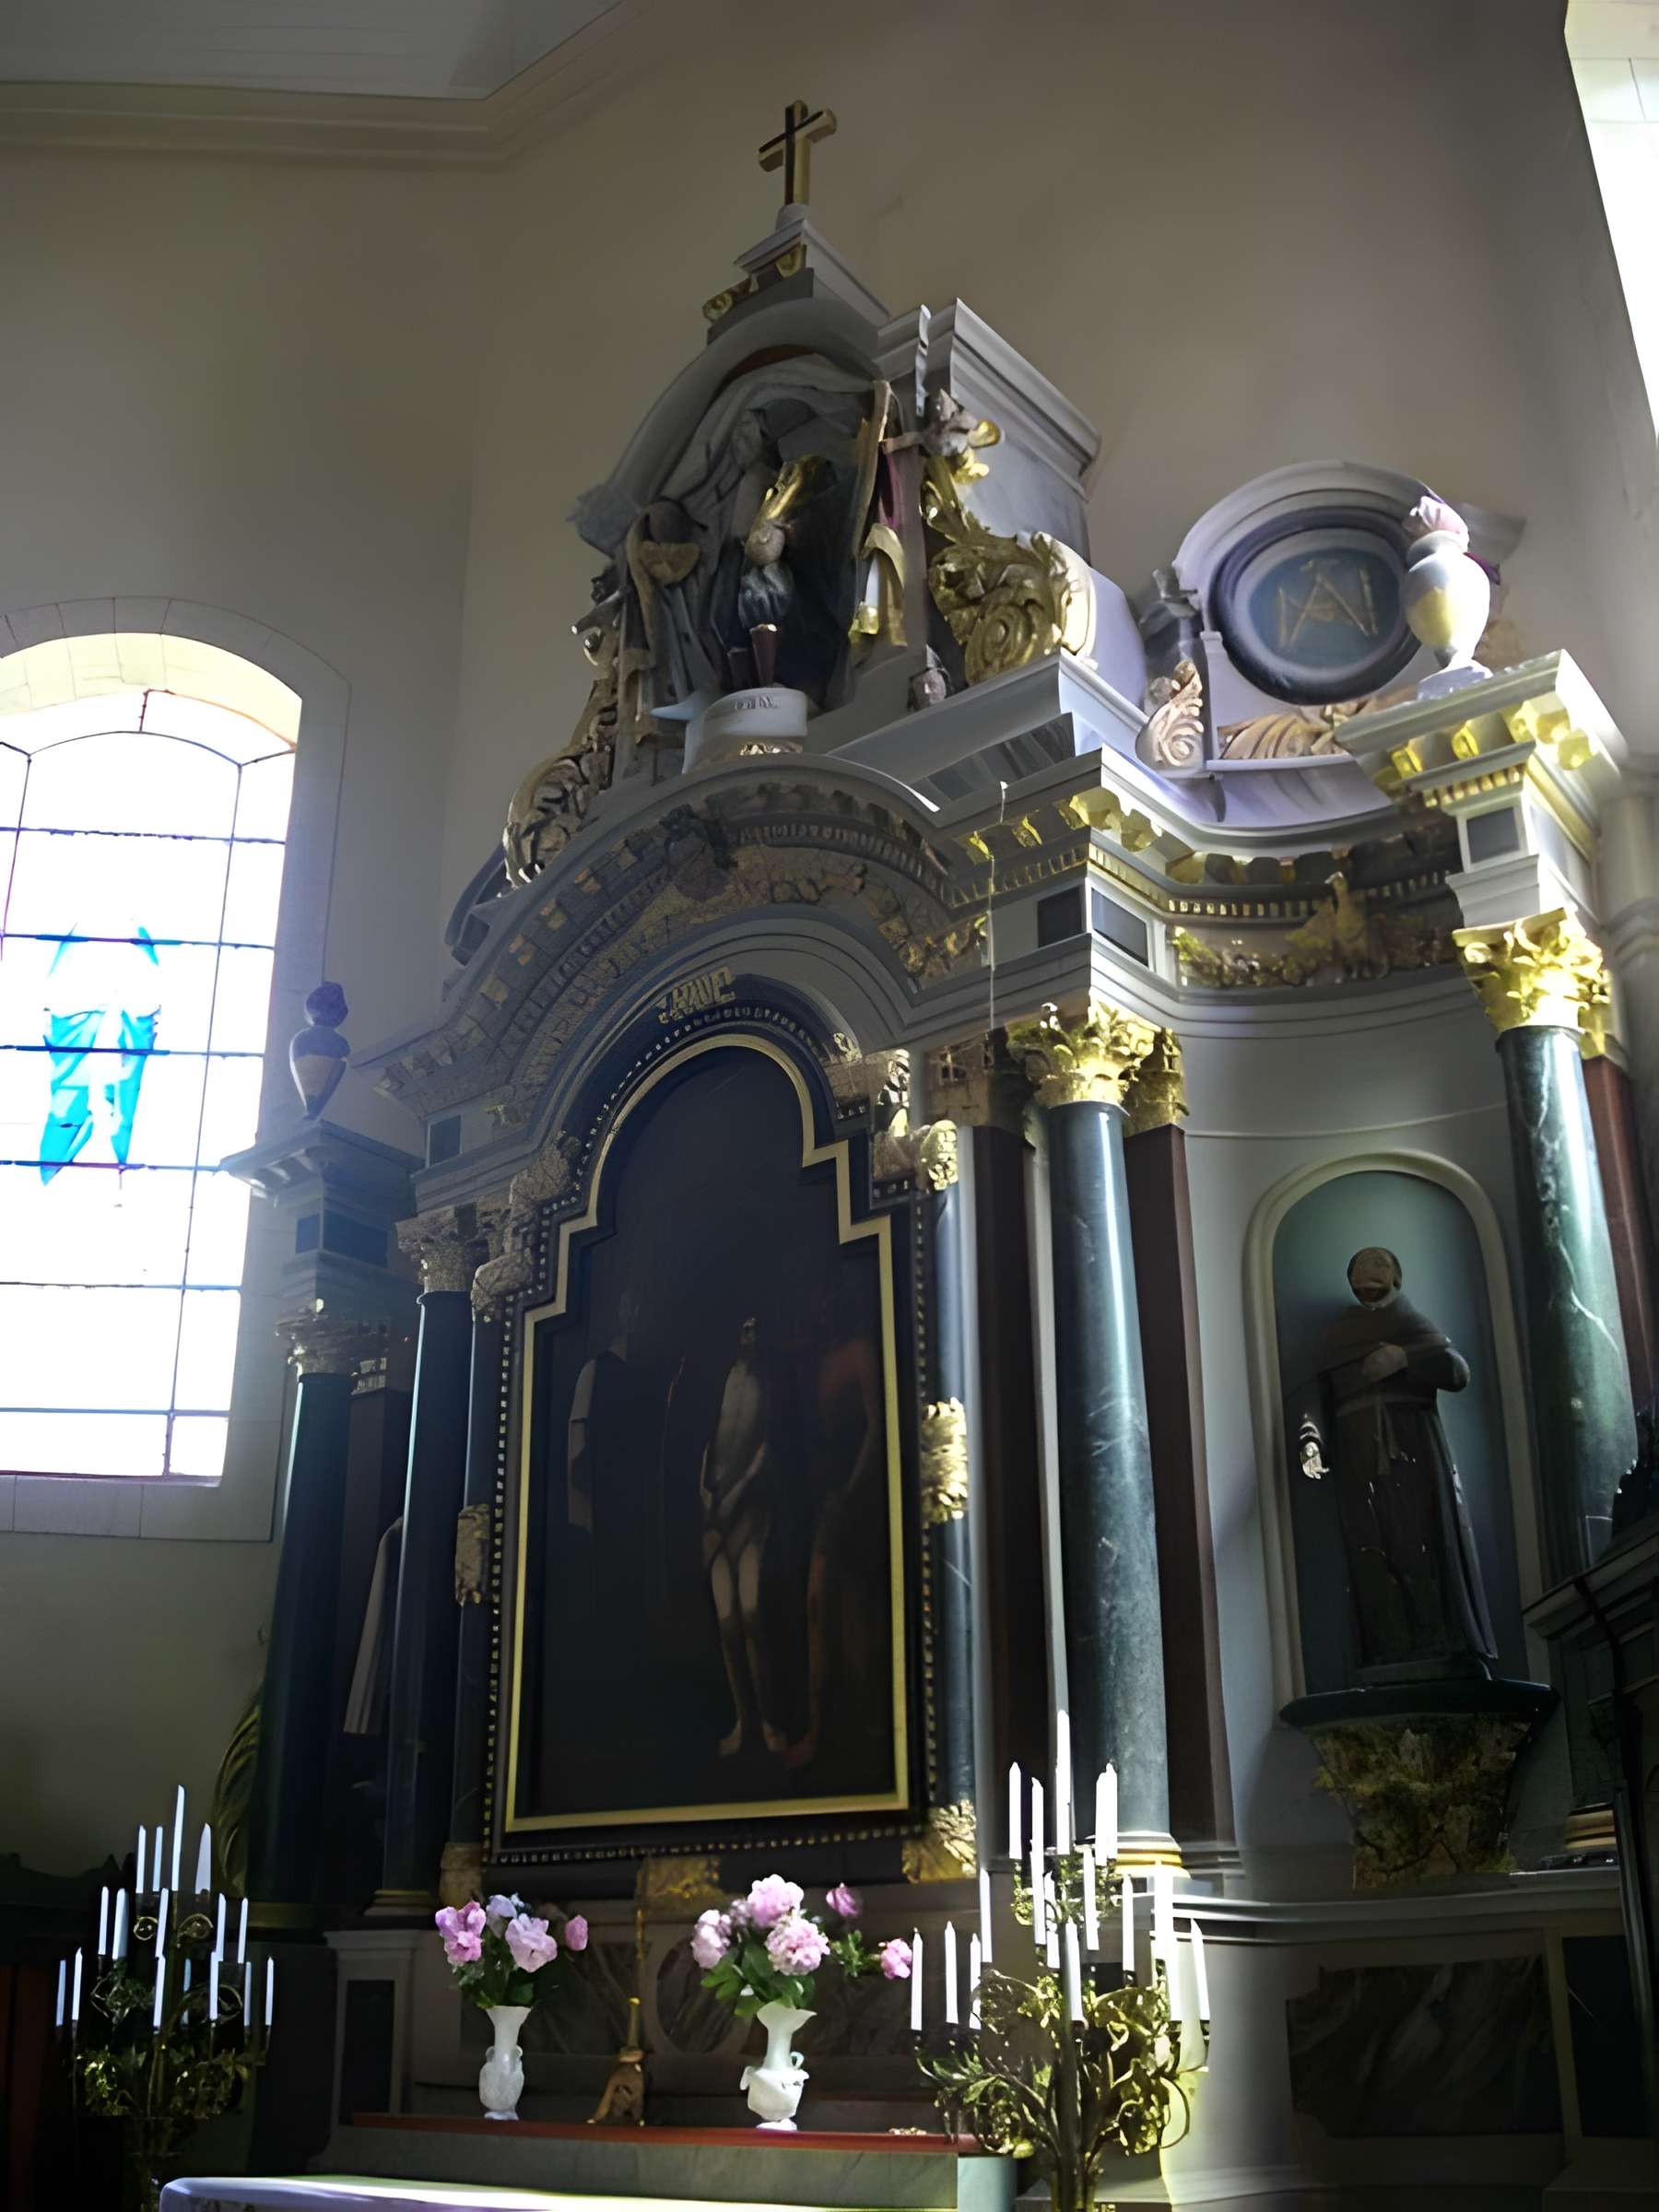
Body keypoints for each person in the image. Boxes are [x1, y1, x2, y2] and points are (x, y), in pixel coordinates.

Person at [1310, 1246, 1498, 1683]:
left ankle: (1439, 1639)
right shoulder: (1336, 1338)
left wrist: (1405, 1357)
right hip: (1358, 1462)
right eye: (1360, 1264)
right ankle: (1389, 1647)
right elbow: (1312, 1402)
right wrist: (1310, 1442)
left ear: (1397, 1276)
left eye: (1380, 1263)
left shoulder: (1413, 1327)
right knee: (1372, 1551)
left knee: (1423, 1541)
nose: (1370, 1270)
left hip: (1414, 1454)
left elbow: (1456, 1373)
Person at [700, 1314, 787, 1757]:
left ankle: (769, 1720)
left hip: (750, 1512)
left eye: (756, 1328)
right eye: (744, 1327)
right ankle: (743, 1721)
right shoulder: (723, 1378)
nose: (749, 1336)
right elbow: (708, 1444)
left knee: (752, 1616)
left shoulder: (767, 1381)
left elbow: (765, 1448)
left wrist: (734, 1498)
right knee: (727, 1623)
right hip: (714, 1516)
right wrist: (709, 1500)